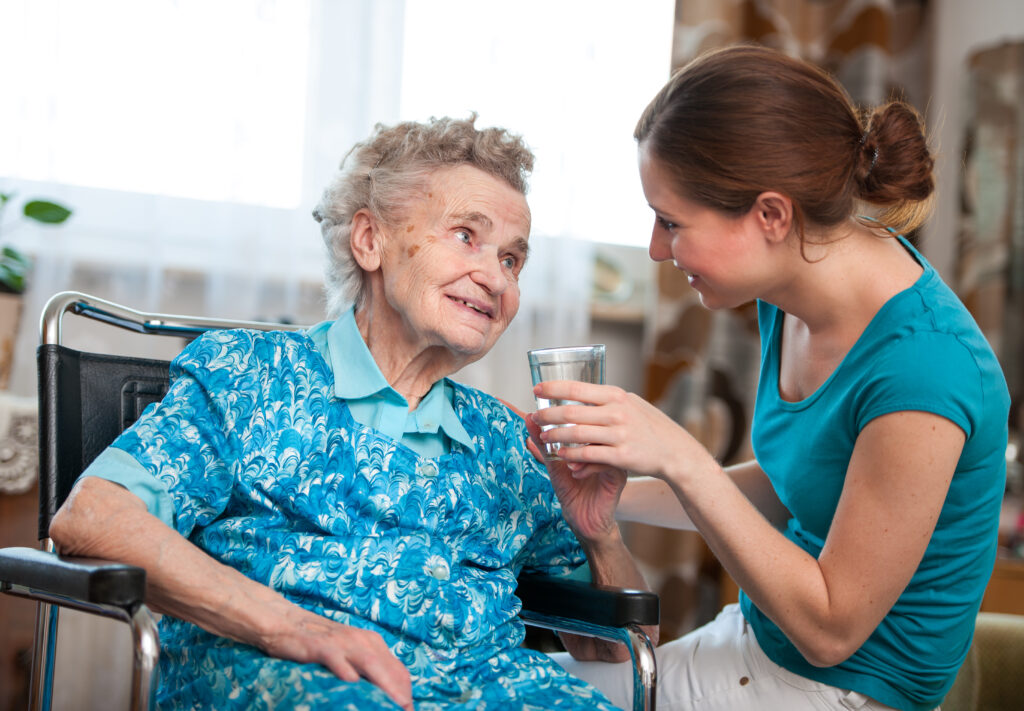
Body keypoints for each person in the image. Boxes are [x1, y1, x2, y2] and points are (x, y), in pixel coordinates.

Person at [48, 115, 653, 711]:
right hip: (289, 677)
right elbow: (94, 518)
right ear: (370, 241)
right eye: (467, 235)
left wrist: (600, 536)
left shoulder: (502, 436)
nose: (495, 277)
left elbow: (612, 647)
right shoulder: (253, 374)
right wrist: (294, 628)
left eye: (513, 260)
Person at [536, 45, 1010, 711]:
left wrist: (680, 456)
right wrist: (607, 494)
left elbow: (830, 628)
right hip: (753, 646)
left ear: (770, 215)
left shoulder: (924, 370)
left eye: (672, 221)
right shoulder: (787, 294)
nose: (654, 248)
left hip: (838, 690)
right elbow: (795, 481)